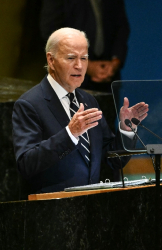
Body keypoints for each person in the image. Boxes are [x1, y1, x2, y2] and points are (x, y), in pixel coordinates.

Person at [12, 28, 148, 193]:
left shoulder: (89, 101)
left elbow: (113, 160)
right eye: (71, 58)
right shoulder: (29, 104)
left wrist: (126, 130)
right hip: (51, 211)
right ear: (51, 60)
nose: (79, 65)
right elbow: (27, 164)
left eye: (84, 58)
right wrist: (70, 133)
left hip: (89, 209)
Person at [39, 0, 130, 93]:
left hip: (107, 80)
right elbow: (52, 33)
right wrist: (85, 64)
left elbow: (122, 28)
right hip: (67, 80)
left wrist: (115, 62)